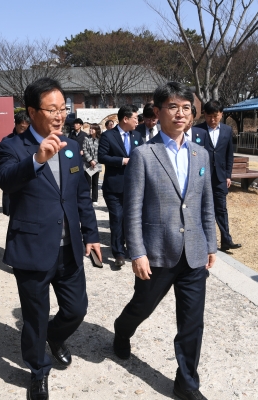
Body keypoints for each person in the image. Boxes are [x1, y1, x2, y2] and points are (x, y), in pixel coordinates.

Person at [0, 77, 101, 400]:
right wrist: (37, 159)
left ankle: (55, 337)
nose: (60, 115)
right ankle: (39, 371)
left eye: (63, 109)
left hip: (68, 248)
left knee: (76, 309)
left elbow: (81, 195)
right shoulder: (11, 146)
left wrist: (92, 234)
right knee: (34, 316)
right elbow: (6, 182)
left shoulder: (71, 147)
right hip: (32, 247)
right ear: (32, 111)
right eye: (52, 109)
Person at [113, 82, 217, 400]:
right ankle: (122, 328)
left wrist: (211, 243)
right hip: (157, 252)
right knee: (141, 307)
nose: (181, 113)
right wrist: (137, 253)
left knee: (191, 322)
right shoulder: (144, 155)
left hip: (194, 252)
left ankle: (186, 382)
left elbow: (206, 202)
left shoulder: (201, 153)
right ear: (158, 112)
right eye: (173, 106)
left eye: (186, 107)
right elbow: (132, 210)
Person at [97, 105, 143, 268]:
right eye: (135, 118)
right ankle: (118, 253)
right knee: (117, 218)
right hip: (114, 187)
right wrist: (122, 161)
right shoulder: (108, 136)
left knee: (130, 220)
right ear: (125, 119)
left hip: (133, 187)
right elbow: (101, 157)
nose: (137, 121)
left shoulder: (137, 136)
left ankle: (131, 248)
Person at [192, 100, 241, 252]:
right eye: (209, 116)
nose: (212, 120)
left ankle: (226, 240)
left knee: (221, 209)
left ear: (221, 114)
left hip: (220, 177)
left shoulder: (227, 130)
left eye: (216, 116)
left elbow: (229, 155)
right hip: (202, 177)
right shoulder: (197, 130)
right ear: (204, 115)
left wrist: (228, 175)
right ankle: (202, 241)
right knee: (201, 209)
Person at [1, 110, 30, 216]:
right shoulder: (7, 142)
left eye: (28, 128)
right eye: (22, 128)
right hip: (14, 186)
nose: (25, 131)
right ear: (16, 124)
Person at [82, 123, 102, 205]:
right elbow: (84, 149)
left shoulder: (100, 139)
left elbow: (101, 151)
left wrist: (95, 161)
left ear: (96, 130)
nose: (90, 130)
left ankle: (94, 199)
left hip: (96, 164)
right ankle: (87, 198)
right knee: (87, 182)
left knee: (95, 182)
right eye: (90, 128)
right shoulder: (86, 138)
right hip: (88, 164)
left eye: (92, 129)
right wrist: (90, 160)